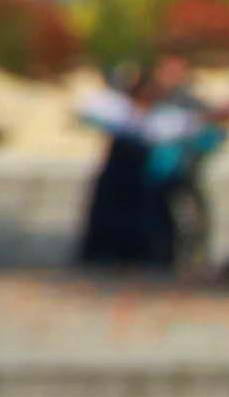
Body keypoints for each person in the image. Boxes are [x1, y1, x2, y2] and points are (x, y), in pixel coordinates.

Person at [70, 60, 208, 272]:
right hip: (117, 179)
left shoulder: (162, 116)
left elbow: (184, 126)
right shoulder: (120, 109)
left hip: (141, 181)